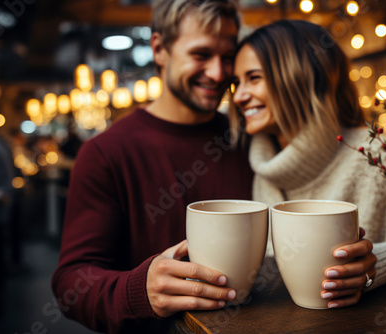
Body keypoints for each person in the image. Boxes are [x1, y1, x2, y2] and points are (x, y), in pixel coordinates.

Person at [51, 1, 253, 333]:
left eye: (227, 57)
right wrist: (138, 290)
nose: (219, 73)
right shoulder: (105, 153)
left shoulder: (250, 140)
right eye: (201, 55)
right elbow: (70, 283)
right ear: (159, 49)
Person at [231, 20, 386, 308]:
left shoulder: (382, 154)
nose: (238, 96)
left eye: (254, 77)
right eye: (237, 82)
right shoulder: (264, 170)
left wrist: (377, 265)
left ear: (301, 76)